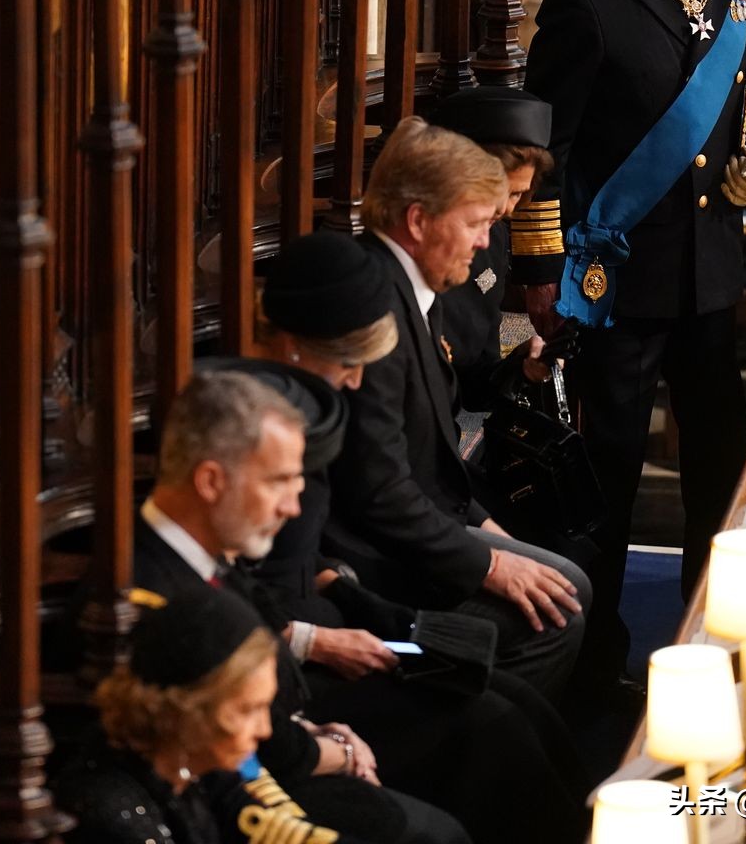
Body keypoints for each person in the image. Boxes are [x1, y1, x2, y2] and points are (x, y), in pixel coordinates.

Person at [517, 0, 746, 679]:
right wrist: (540, 272)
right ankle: (593, 659)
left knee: (722, 467)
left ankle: (711, 641)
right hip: (620, 278)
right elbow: (542, 154)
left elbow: (742, 85)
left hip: (710, 270)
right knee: (608, 479)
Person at [253, 230, 592, 842]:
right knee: (493, 724)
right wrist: (316, 639)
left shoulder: (306, 405)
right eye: (349, 363)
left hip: (330, 614)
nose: (356, 382)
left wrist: (352, 608)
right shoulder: (253, 426)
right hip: (290, 670)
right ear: (297, 346)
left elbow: (303, 558)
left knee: (520, 705)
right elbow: (228, 592)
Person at [132, 369, 471, 844]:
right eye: (278, 481)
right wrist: (337, 750)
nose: (293, 507)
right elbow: (232, 750)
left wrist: (320, 733)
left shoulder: (202, 547)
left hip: (288, 737)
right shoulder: (149, 591)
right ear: (211, 480)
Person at [324, 117, 591, 702]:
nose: (483, 240)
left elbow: (433, 451)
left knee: (565, 574)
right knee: (560, 607)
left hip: (429, 514)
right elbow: (379, 491)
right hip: (373, 557)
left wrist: (488, 531)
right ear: (418, 221)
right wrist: (490, 562)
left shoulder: (419, 284)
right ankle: (465, 730)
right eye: (475, 222)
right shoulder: (373, 305)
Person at [53, 581, 403, 843]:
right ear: (184, 709)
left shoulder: (196, 763)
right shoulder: (112, 817)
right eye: (248, 710)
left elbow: (276, 829)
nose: (265, 730)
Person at [431, 86, 557, 410]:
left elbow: (474, 387)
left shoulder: (493, 240)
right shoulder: (413, 251)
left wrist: (521, 367)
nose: (506, 208)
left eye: (518, 194)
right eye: (499, 190)